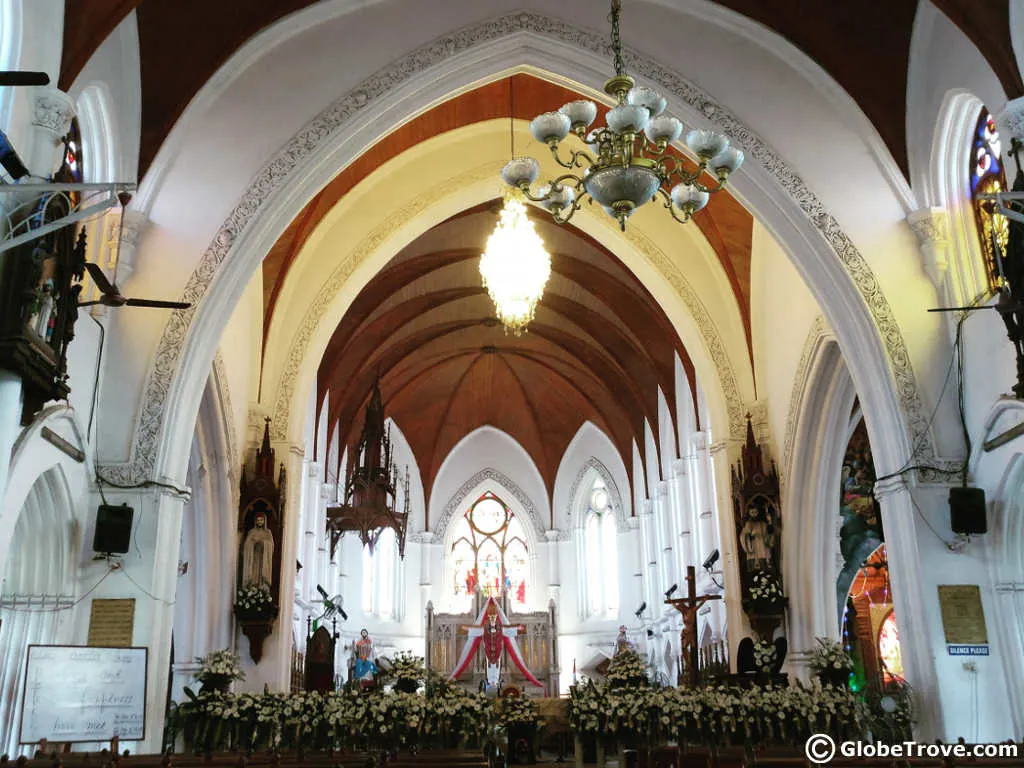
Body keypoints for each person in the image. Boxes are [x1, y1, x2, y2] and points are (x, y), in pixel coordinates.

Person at [242, 513, 274, 587]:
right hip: (253, 557)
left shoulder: (268, 532)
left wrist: (264, 543)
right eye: (258, 520)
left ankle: (262, 589)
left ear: (264, 521)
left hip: (263, 558)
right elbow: (246, 545)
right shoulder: (252, 532)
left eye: (261, 520)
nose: (259, 522)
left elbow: (271, 545)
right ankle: (252, 588)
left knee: (261, 576)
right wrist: (253, 543)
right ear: (255, 521)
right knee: (254, 575)